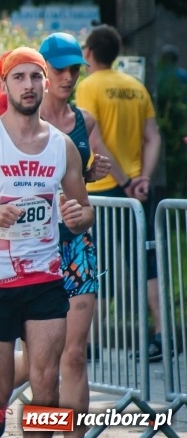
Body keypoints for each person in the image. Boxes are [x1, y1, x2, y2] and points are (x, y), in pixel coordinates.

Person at [0, 47, 94, 438]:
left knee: (46, 384)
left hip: (44, 277)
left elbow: (84, 209)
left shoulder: (62, 146)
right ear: (4, 85)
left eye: (35, 77)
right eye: (19, 77)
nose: (28, 85)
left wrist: (76, 217)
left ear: (45, 83)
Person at [0, 33, 113, 438]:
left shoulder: (74, 132)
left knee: (61, 368)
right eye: (60, 69)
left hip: (59, 260)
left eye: (74, 69)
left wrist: (79, 208)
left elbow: (81, 204)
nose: (67, 77)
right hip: (7, 266)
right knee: (13, 380)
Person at [75, 24, 164, 361]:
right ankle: (162, 336)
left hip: (103, 187)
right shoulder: (135, 86)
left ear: (89, 53)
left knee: (89, 263)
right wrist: (142, 177)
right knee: (147, 261)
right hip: (136, 192)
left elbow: (94, 141)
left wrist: (125, 180)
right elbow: (153, 136)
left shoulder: (88, 87)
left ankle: (90, 341)